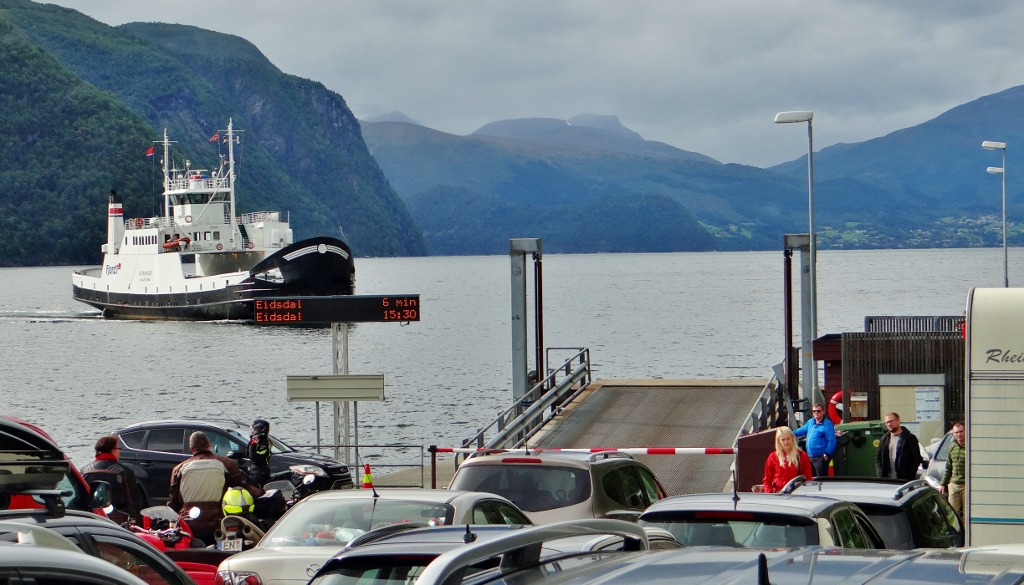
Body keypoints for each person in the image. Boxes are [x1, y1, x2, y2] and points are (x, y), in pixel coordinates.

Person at [167, 431, 263, 545]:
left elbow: (173, 503)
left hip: (189, 524)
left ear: (191, 449)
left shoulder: (178, 469)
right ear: (209, 444)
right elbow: (242, 489)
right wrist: (261, 492)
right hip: (218, 523)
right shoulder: (226, 463)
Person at [80, 435, 140, 525]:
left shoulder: (84, 470)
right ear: (112, 451)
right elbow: (133, 501)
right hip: (118, 520)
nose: (119, 451)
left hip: (91, 518)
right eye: (118, 448)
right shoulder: (123, 471)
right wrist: (136, 521)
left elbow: (80, 497)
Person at [762, 426, 814, 494]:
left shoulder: (802, 455)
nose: (786, 442)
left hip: (798, 494)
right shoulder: (772, 457)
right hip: (778, 495)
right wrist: (770, 495)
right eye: (783, 440)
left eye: (788, 438)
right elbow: (767, 481)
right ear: (778, 441)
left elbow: (808, 479)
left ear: (792, 438)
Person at [875, 412, 923, 481]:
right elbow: (878, 457)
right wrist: (880, 473)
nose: (889, 424)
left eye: (891, 421)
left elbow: (915, 459)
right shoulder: (884, 439)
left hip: (904, 480)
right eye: (887, 422)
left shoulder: (909, 438)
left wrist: (909, 477)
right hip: (887, 480)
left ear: (898, 420)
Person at [793, 403, 837, 478]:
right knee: (812, 477)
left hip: (820, 457)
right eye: (814, 411)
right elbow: (802, 430)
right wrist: (789, 433)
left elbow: (831, 440)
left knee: (821, 478)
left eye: (818, 411)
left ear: (823, 412)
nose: (816, 413)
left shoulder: (827, 424)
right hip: (810, 456)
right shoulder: (810, 422)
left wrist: (827, 454)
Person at [939, 421, 966, 518]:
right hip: (953, 485)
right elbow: (948, 468)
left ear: (965, 431)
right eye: (956, 432)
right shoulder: (952, 447)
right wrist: (942, 484)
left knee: (967, 514)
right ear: (953, 434)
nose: (959, 434)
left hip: (966, 485)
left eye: (961, 431)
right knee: (953, 514)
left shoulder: (970, 447)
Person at [247, 419, 272, 487]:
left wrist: (253, 446)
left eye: (255, 430)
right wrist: (250, 443)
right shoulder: (256, 442)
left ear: (261, 430)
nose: (253, 432)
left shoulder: (264, 443)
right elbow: (247, 454)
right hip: (254, 472)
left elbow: (255, 458)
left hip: (260, 473)